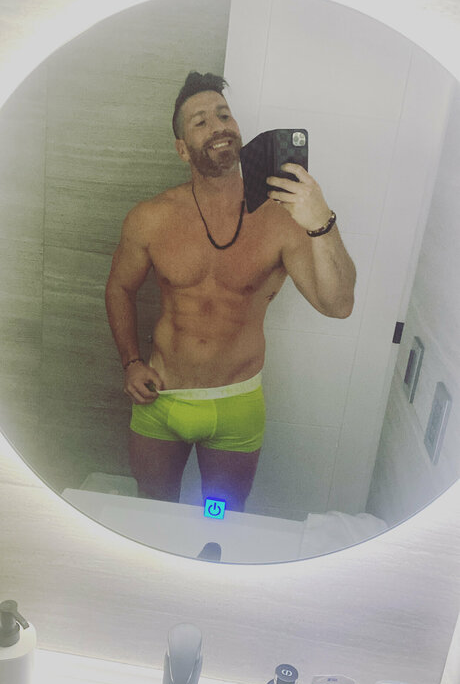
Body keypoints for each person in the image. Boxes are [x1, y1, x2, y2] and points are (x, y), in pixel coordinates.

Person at [105, 71, 356, 511]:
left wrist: (321, 219)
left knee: (220, 521)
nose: (218, 125)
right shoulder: (151, 217)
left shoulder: (282, 217)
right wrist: (130, 361)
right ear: (182, 148)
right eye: (200, 121)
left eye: (224, 115)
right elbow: (119, 288)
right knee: (153, 510)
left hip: (235, 404)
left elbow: (338, 305)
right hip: (161, 398)